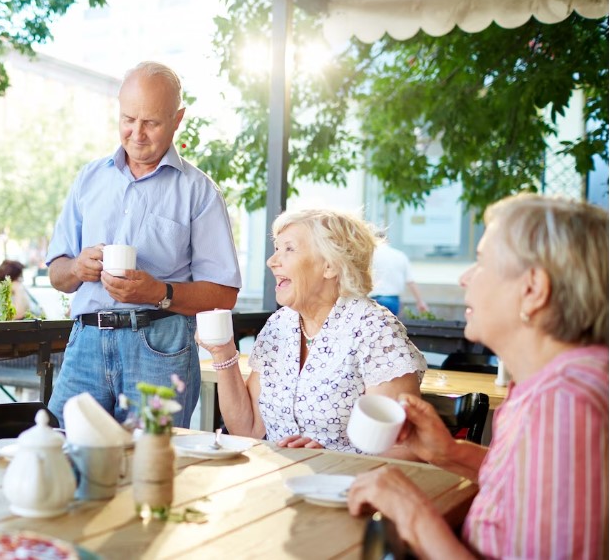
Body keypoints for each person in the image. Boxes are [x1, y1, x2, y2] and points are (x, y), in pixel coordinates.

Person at [348, 194, 608, 558]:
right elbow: (527, 485)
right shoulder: (552, 385)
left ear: (532, 290)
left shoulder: (563, 403)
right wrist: (450, 453)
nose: (465, 278)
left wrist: (412, 512)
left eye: (483, 261)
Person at [45, 61, 242, 427]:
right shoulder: (89, 179)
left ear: (177, 118)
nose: (137, 133)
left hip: (160, 346)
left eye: (151, 122)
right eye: (128, 119)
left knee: (150, 467)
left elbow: (224, 293)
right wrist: (75, 268)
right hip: (86, 341)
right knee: (60, 452)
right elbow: (57, 274)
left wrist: (160, 292)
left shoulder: (199, 192)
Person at [198, 209, 426, 457]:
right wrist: (224, 353)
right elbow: (248, 429)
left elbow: (404, 450)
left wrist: (335, 460)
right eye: (276, 249)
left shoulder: (375, 330)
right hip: (280, 479)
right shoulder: (279, 325)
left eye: (289, 249)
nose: (272, 261)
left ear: (329, 265)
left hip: (345, 489)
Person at [370, 231, 428, 316]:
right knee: (390, 328)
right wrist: (420, 302)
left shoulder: (370, 255)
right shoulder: (400, 255)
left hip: (373, 300)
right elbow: (410, 281)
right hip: (393, 300)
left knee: (373, 328)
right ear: (387, 241)